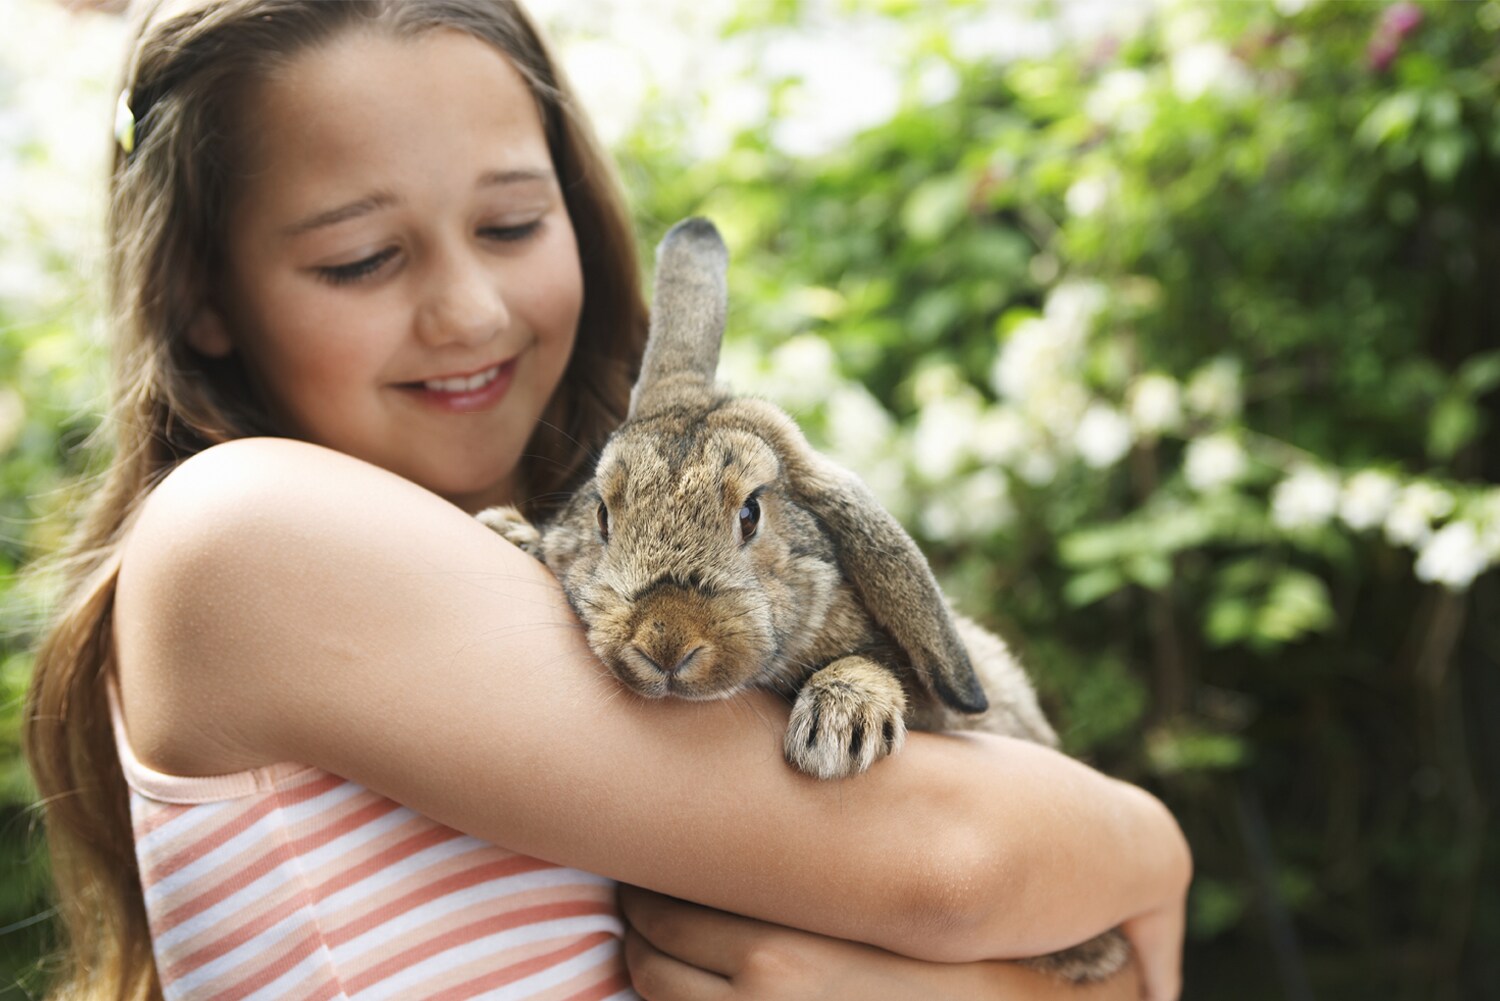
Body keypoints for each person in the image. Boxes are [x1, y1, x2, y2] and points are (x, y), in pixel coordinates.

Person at [23, 1, 1192, 999]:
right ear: (200, 293)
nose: (471, 309)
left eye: (513, 224)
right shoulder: (244, 534)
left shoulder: (579, 562)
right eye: (361, 259)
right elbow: (958, 863)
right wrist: (1149, 843)